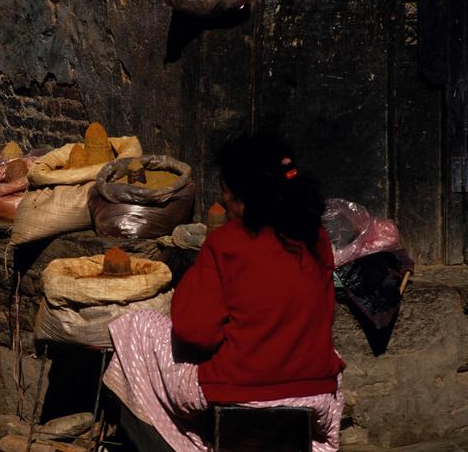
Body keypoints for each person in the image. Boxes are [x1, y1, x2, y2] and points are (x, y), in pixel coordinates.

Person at [102, 134, 346, 452]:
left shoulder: (227, 242)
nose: (225, 203)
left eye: (227, 195)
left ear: (245, 198)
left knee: (137, 327)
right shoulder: (317, 238)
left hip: (240, 392)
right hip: (316, 397)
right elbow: (324, 315)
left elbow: (195, 332)